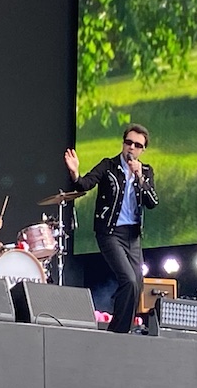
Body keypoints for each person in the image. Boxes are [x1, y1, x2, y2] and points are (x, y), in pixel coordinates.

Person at [64, 123, 159, 333]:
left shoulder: (145, 171)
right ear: (123, 143)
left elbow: (152, 202)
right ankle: (118, 332)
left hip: (132, 235)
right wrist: (75, 174)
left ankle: (120, 330)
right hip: (109, 232)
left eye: (137, 145)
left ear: (143, 150)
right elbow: (84, 185)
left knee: (138, 284)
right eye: (128, 143)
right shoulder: (108, 166)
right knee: (129, 279)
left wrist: (140, 178)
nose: (131, 148)